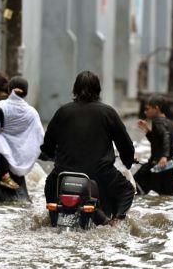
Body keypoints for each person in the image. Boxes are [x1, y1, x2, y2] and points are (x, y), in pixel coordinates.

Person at [41, 71, 135, 226]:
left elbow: (48, 143)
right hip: (100, 174)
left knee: (50, 185)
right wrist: (128, 161)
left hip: (64, 174)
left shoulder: (63, 112)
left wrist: (50, 154)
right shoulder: (108, 113)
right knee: (127, 190)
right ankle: (116, 223)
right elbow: (125, 145)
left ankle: (53, 219)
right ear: (98, 90)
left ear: (75, 90)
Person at [135, 95, 173, 196]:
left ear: (156, 108)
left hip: (158, 164)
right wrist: (147, 130)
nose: (145, 112)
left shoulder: (157, 122)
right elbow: (157, 143)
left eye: (148, 108)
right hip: (169, 165)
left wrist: (164, 156)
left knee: (134, 185)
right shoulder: (169, 122)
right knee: (169, 196)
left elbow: (166, 136)